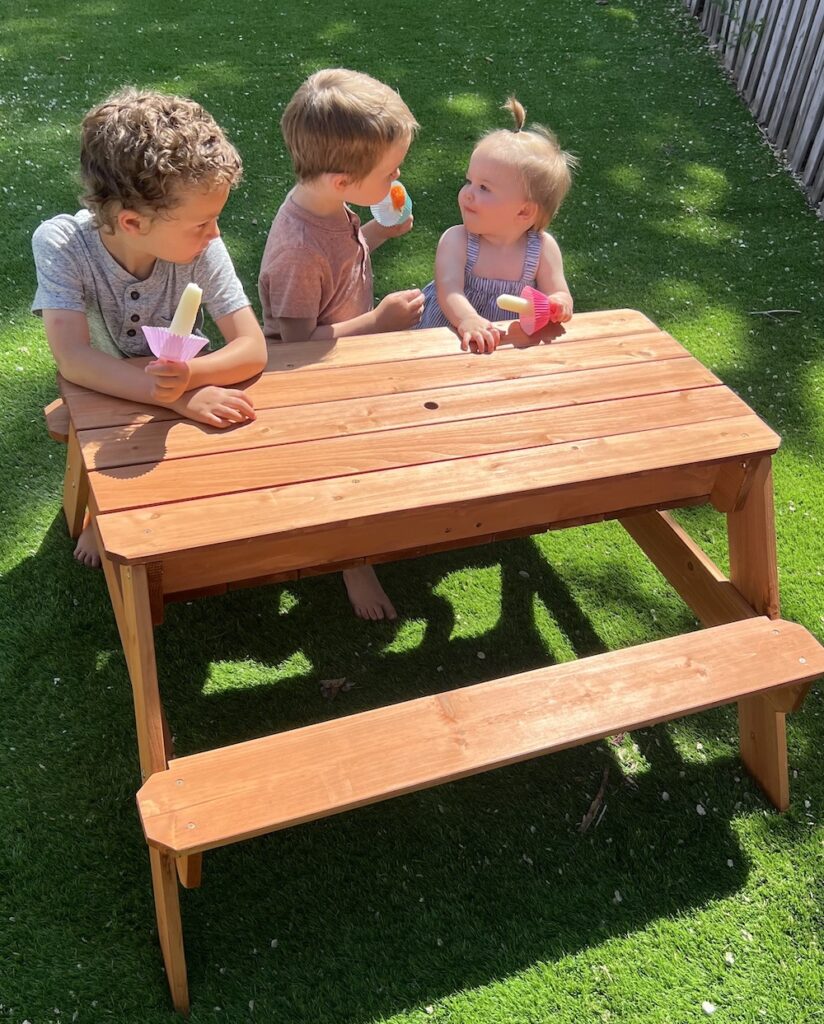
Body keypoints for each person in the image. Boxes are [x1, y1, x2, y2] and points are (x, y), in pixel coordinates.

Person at [31, 87, 268, 567]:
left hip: (175, 387)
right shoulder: (62, 245)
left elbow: (252, 348)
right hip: (101, 392)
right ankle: (105, 512)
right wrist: (176, 396)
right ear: (133, 223)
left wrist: (190, 379)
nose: (215, 233)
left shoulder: (201, 247)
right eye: (202, 222)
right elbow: (74, 359)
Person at [259, 68, 424, 620]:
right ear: (342, 181)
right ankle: (353, 559)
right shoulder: (299, 249)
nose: (398, 174)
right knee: (347, 469)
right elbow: (292, 347)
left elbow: (342, 264)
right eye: (391, 170)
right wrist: (378, 321)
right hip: (316, 385)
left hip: (348, 361)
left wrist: (376, 233)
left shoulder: (329, 207)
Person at [417, 97, 577, 353]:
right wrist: (468, 320)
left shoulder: (543, 249)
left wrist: (558, 304)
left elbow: (559, 292)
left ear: (524, 211)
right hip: (450, 340)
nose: (467, 193)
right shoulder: (456, 241)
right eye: (469, 181)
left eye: (484, 188)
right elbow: (449, 291)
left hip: (508, 347)